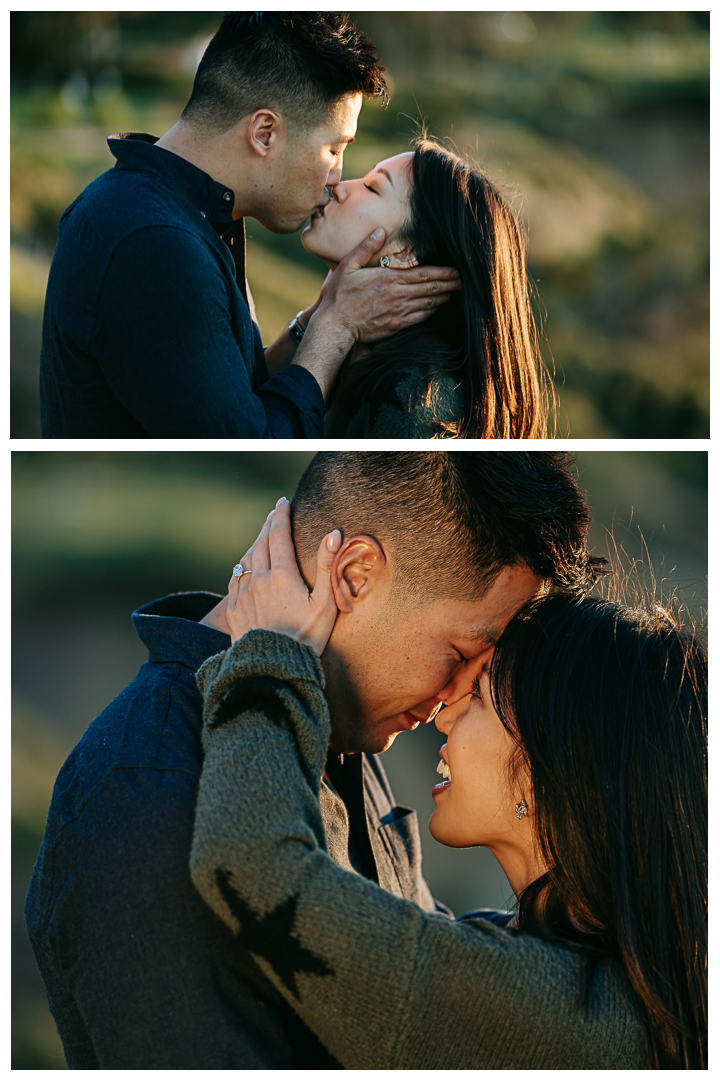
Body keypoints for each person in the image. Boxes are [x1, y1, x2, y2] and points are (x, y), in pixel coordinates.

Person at [25, 450, 601, 1068]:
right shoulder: (150, 793)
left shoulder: (339, 724)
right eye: (462, 653)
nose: (457, 699)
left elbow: (416, 963)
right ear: (354, 575)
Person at [190, 501, 708, 1070]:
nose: (443, 712)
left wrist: (269, 652)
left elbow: (250, 864)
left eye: (481, 693)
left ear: (552, 772)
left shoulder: (544, 1008)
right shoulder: (589, 977)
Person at [39, 13, 461, 439]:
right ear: (264, 133)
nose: (336, 177)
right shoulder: (155, 241)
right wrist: (337, 326)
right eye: (333, 148)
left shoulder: (186, 213)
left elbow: (226, 397)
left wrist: (315, 320)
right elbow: (252, 443)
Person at [303, 138, 550, 438]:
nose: (340, 187)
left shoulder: (408, 402)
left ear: (406, 254)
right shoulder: (367, 359)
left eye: (371, 188)